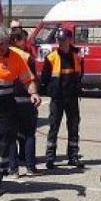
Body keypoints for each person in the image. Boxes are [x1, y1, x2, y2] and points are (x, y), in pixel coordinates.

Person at [0, 27, 41, 197]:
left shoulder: (15, 57)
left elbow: (28, 79)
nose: (4, 47)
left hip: (5, 107)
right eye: (0, 44)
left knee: (4, 144)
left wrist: (33, 93)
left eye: (6, 43)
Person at [41, 27, 84, 170]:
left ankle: (73, 156)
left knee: (73, 127)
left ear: (70, 40)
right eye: (59, 40)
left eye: (63, 40)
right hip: (57, 98)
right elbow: (45, 78)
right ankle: (50, 158)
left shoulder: (77, 55)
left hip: (72, 97)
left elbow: (80, 74)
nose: (61, 43)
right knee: (54, 127)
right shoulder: (51, 57)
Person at [9, 27, 40, 177]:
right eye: (23, 39)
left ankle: (13, 169)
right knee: (29, 134)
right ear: (16, 40)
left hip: (9, 98)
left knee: (11, 136)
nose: (26, 42)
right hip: (25, 98)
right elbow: (33, 79)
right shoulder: (27, 57)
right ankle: (30, 167)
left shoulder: (4, 55)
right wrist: (35, 93)